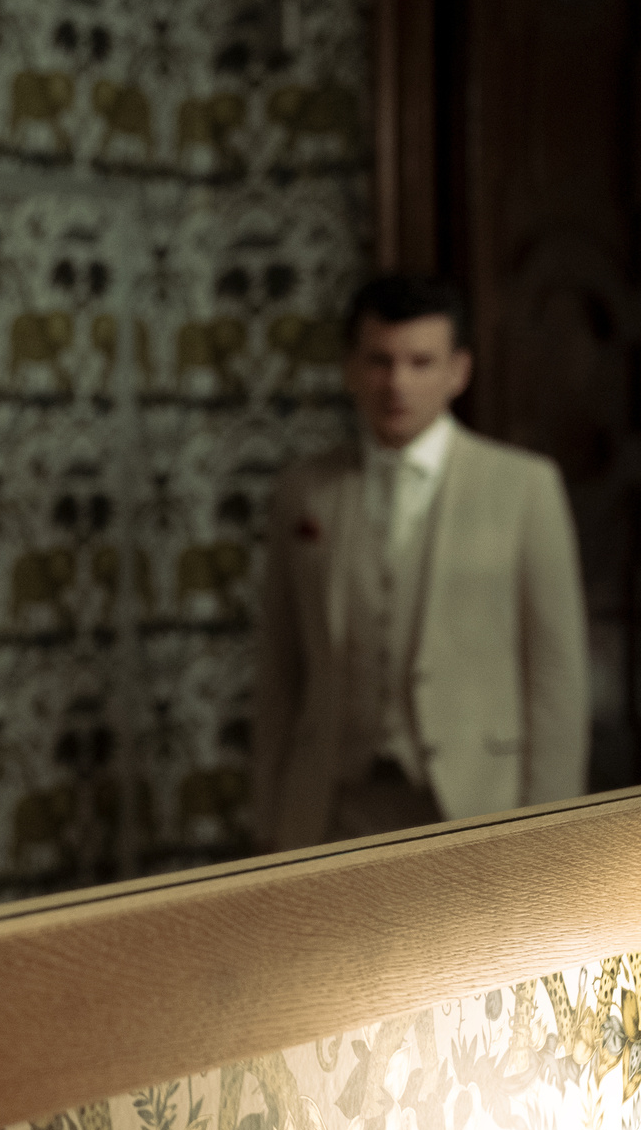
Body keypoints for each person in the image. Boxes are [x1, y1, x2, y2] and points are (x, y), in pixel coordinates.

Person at [252, 274, 589, 851]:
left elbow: (557, 676)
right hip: (332, 806)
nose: (397, 383)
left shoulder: (525, 487)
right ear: (350, 369)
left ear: (458, 371)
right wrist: (270, 819)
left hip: (479, 804)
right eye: (380, 361)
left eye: (420, 362)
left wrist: (552, 834)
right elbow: (278, 670)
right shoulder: (305, 491)